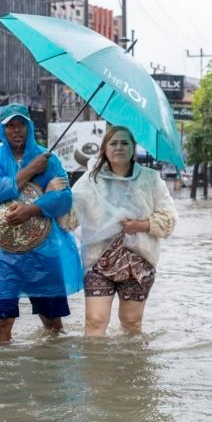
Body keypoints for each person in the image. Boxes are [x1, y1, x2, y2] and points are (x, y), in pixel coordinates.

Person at [0, 103, 82, 343]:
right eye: (10, 125)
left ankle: (51, 363)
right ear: (2, 130)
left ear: (29, 127)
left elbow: (64, 199)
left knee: (52, 322)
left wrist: (32, 209)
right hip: (1, 254)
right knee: (1, 321)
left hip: (44, 253)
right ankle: (1, 367)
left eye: (20, 124)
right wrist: (33, 171)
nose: (16, 130)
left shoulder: (49, 160)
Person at [59, 126, 177, 336]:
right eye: (113, 143)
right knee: (94, 321)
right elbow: (69, 219)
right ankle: (94, 358)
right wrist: (58, 195)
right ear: (104, 149)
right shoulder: (91, 180)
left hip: (138, 261)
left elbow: (169, 219)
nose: (119, 147)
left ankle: (130, 359)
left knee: (131, 323)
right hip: (98, 260)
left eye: (124, 143)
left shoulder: (150, 179)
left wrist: (140, 226)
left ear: (133, 148)